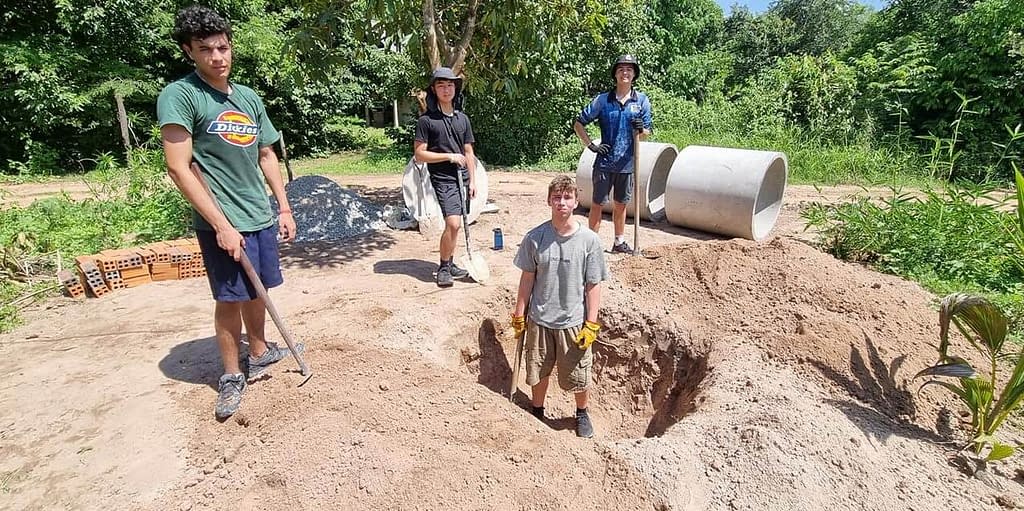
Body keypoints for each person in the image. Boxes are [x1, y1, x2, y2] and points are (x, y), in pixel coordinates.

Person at [157, 5, 300, 420]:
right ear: (189, 51)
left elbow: (267, 153)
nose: (217, 57)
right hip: (223, 219)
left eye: (223, 47)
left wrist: (284, 206)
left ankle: (258, 349)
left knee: (260, 289)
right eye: (206, 50)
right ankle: (232, 374)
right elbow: (178, 168)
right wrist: (220, 225)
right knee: (230, 298)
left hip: (259, 214)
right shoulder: (181, 95)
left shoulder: (248, 97)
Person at [511, 175, 609, 438]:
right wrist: (520, 314)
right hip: (540, 319)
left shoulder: (589, 241)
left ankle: (581, 413)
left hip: (573, 322)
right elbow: (527, 278)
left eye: (567, 197)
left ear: (576, 202)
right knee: (538, 370)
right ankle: (537, 411)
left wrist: (592, 323)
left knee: (578, 373)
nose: (561, 203)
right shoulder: (535, 238)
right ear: (548, 201)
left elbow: (593, 285)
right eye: (557, 197)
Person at [573, 54, 653, 255]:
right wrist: (591, 146)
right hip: (604, 163)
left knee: (621, 204)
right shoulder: (602, 100)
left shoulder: (641, 101)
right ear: (615, 74)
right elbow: (578, 123)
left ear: (634, 74)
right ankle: (591, 245)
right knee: (598, 204)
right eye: (620, 69)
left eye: (629, 69)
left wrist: (641, 129)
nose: (625, 73)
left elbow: (646, 133)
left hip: (627, 164)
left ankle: (619, 242)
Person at [413, 67, 478, 287]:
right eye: (441, 85)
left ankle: (450, 263)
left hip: (463, 178)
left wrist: (473, 180)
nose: (446, 89)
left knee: (457, 224)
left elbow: (468, 152)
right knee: (453, 223)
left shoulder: (463, 119)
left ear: (455, 89)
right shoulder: (427, 121)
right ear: (434, 89)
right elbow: (420, 154)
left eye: (450, 85)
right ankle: (443, 267)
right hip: (443, 178)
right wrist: (448, 156)